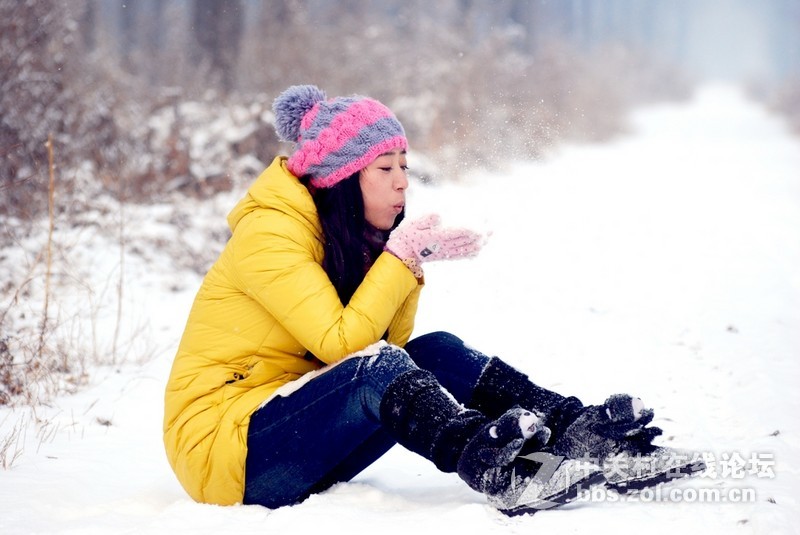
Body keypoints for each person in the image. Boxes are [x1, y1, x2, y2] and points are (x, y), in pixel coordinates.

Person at [163, 85, 704, 516]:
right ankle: (494, 467)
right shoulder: (271, 235)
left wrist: (403, 262)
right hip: (227, 451)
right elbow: (346, 348)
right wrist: (396, 259)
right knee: (381, 365)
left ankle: (575, 434)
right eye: (385, 168)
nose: (402, 182)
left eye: (404, 165)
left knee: (434, 350)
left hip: (290, 427)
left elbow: (387, 355)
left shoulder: (340, 234)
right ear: (342, 178)